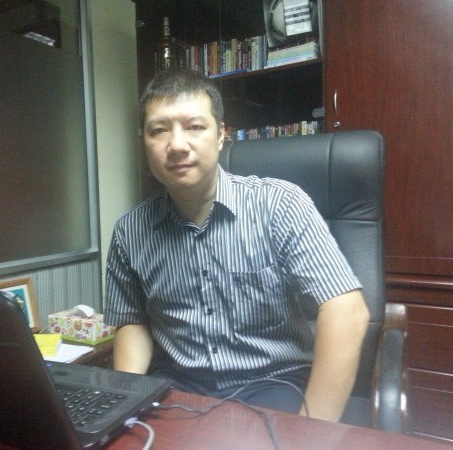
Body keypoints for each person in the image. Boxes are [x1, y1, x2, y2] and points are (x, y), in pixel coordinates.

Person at [104, 68, 370, 422]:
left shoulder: (280, 206)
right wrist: (123, 411)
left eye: (194, 126)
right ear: (145, 143)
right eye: (159, 130)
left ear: (221, 136)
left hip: (271, 382)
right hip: (178, 385)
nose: (177, 145)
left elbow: (347, 311)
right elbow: (133, 323)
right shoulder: (129, 231)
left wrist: (311, 431)